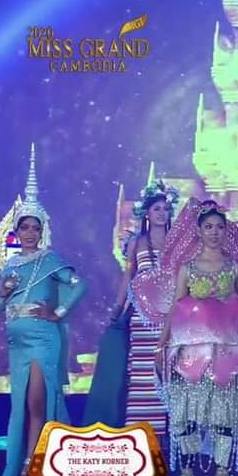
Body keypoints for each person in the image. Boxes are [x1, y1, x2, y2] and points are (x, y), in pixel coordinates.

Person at [132, 199, 238, 476]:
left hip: (228, 354)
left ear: (225, 231)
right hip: (190, 355)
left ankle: (223, 475)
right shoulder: (187, 269)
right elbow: (175, 310)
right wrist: (162, 345)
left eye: (220, 227)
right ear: (199, 231)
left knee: (225, 415)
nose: (214, 232)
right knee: (187, 415)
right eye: (208, 227)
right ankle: (188, 475)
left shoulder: (234, 268)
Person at [0, 198, 87, 476]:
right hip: (16, 344)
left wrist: (57, 313)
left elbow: (79, 285)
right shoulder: (11, 264)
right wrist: (3, 291)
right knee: (20, 409)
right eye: (25, 227)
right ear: (16, 231)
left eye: (36, 228)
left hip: (43, 341)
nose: (30, 233)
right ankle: (30, 472)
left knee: (36, 407)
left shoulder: (51, 261)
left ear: (41, 231)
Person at [85, 181, 177, 433]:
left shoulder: (177, 243)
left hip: (170, 319)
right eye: (156, 209)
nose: (161, 213)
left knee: (167, 372)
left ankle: (166, 437)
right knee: (141, 375)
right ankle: (140, 433)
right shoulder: (138, 242)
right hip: (142, 318)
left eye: (165, 209)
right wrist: (117, 307)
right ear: (146, 213)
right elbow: (129, 277)